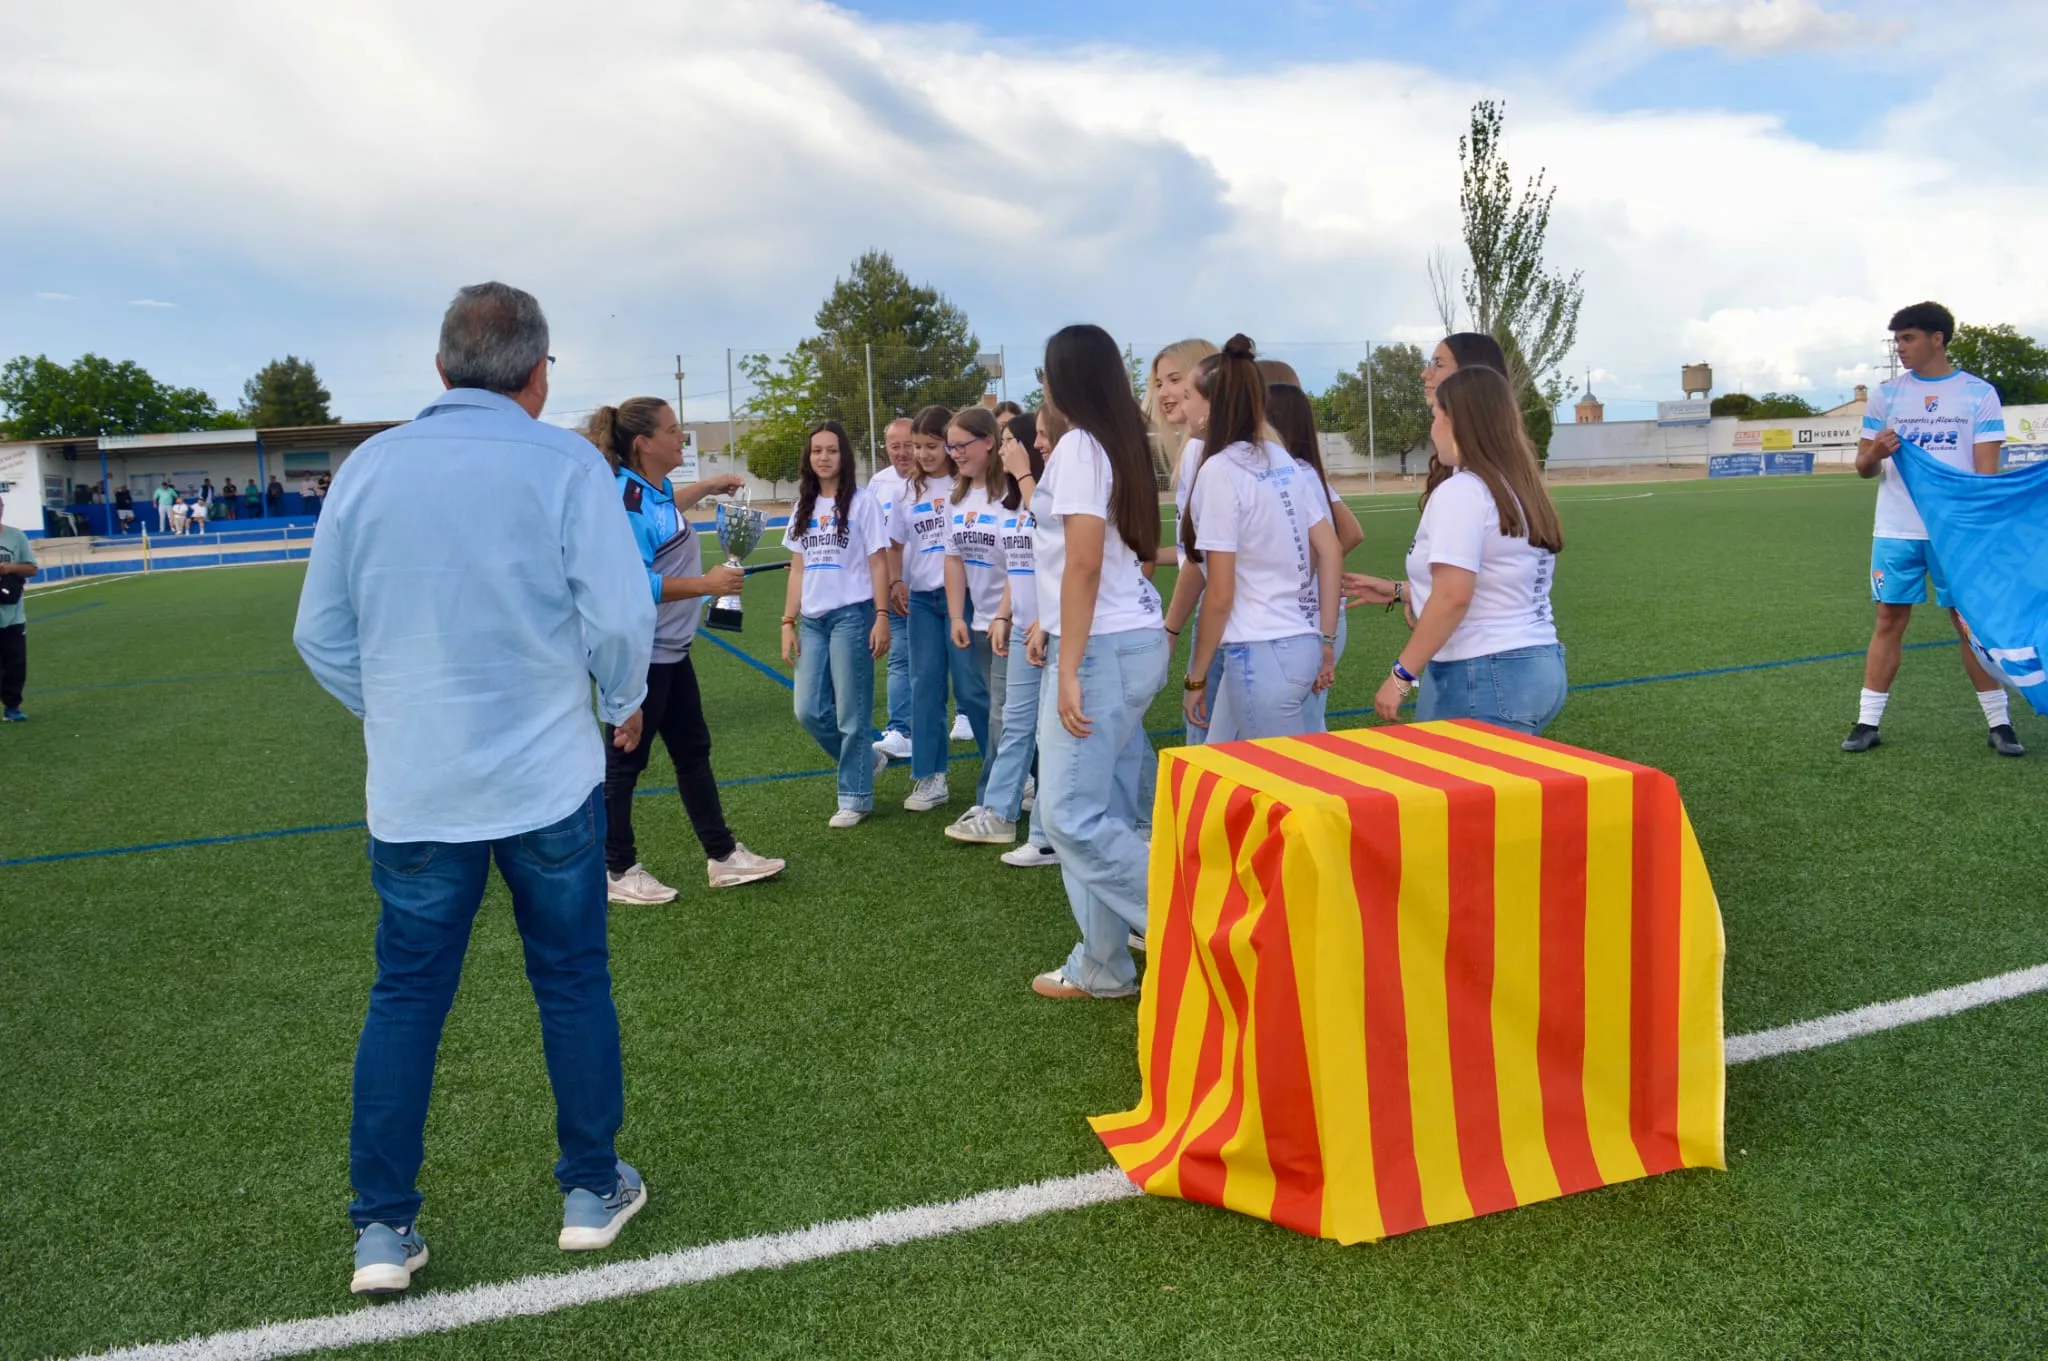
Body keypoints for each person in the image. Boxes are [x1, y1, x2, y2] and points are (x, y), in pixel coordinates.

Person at [294, 282, 657, 1297]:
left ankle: (382, 1226)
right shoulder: (565, 464)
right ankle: (590, 1186)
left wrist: (396, 709)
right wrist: (622, 697)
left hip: (420, 786)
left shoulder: (369, 467)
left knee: (406, 995)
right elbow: (619, 616)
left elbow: (319, 632)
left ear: (441, 367)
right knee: (571, 979)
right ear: (537, 374)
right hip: (547, 779)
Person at [583, 397, 786, 903]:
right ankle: (615, 868)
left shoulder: (652, 488)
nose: (682, 437)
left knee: (692, 752)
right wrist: (705, 585)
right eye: (673, 430)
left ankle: (722, 856)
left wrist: (709, 486)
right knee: (624, 765)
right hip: (642, 655)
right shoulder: (625, 499)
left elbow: (667, 505)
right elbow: (631, 585)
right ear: (643, 443)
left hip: (671, 652)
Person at [1029, 323, 1166, 1000]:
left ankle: (1195, 918)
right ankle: (1104, 965)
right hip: (1120, 637)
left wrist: (1069, 665)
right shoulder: (1112, 441)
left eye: (1046, 374)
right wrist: (1049, 625)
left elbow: (1084, 560)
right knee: (1098, 807)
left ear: (1066, 380)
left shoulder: (1082, 445)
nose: (1043, 387)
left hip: (1100, 648)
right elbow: (1089, 559)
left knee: (1069, 817)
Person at [1843, 301, 2022, 757]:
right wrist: (1874, 453)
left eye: (1908, 338)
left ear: (1937, 339)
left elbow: (1984, 475)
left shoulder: (1978, 393)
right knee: (1889, 619)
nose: (1899, 348)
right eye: (1897, 340)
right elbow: (1863, 467)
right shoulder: (1886, 395)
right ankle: (1867, 722)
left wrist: (1977, 533)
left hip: (1955, 535)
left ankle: (2000, 724)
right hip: (1896, 529)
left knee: (1968, 624)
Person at [1373, 365, 1567, 735]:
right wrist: (1401, 591)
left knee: (1452, 775)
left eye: (1435, 415)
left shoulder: (1463, 491)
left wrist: (1401, 675)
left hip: (1486, 672)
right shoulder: (1517, 486)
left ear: (1456, 421)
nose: (1432, 428)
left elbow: (1453, 596)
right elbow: (1496, 583)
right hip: (1538, 662)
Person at [1178, 337, 1343, 743]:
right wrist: (1325, 639)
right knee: (1223, 757)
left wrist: (1196, 677)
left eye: (1188, 397)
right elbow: (1331, 549)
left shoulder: (1220, 471)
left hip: (1260, 652)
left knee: (1281, 777)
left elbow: (1220, 594)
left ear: (1212, 406)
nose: (1183, 409)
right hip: (1297, 643)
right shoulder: (1279, 458)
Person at [950, 412, 1059, 864]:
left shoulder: (1047, 497)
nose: (1007, 447)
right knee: (1014, 724)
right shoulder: (1012, 503)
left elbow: (1063, 555)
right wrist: (1003, 614)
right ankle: (1001, 814)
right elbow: (1021, 565)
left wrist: (1046, 620)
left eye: (1015, 440)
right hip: (1023, 631)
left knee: (1057, 734)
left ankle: (1140, 821)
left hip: (1055, 630)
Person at [781, 421, 894, 827]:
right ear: (808, 458)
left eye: (831, 450)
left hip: (852, 616)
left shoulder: (863, 503)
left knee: (852, 714)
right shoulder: (803, 506)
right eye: (817, 451)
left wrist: (882, 616)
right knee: (809, 711)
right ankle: (869, 761)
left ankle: (855, 797)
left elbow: (878, 562)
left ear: (844, 456)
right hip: (813, 621)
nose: (824, 457)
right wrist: (787, 620)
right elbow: (798, 569)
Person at [890, 404, 986, 812]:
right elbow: (895, 544)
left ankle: (1008, 773)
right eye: (917, 446)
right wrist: (896, 581)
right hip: (922, 602)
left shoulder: (967, 484)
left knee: (972, 688)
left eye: (931, 446)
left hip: (963, 599)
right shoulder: (906, 491)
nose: (922, 454)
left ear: (949, 445)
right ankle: (930, 776)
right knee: (925, 686)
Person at [939, 406, 1007, 825]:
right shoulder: (957, 498)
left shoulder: (1012, 494)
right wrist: (956, 617)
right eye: (952, 447)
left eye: (962, 445)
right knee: (1003, 713)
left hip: (1016, 623)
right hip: (981, 623)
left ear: (989, 442)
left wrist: (1005, 615)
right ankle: (1030, 786)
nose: (956, 454)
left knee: (1002, 715)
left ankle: (991, 801)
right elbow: (953, 559)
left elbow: (1025, 563)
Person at [869, 417, 918, 761]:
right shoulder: (878, 484)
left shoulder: (941, 480)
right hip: (895, 590)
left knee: (956, 661)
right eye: (894, 446)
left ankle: (965, 714)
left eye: (908, 444)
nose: (902, 452)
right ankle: (900, 730)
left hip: (937, 590)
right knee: (900, 659)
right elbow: (870, 538)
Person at [0, 494, 38, 722]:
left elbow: (32, 569)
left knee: (15, 664)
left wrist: (9, 568)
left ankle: (12, 707)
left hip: (12, 615)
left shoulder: (16, 536)